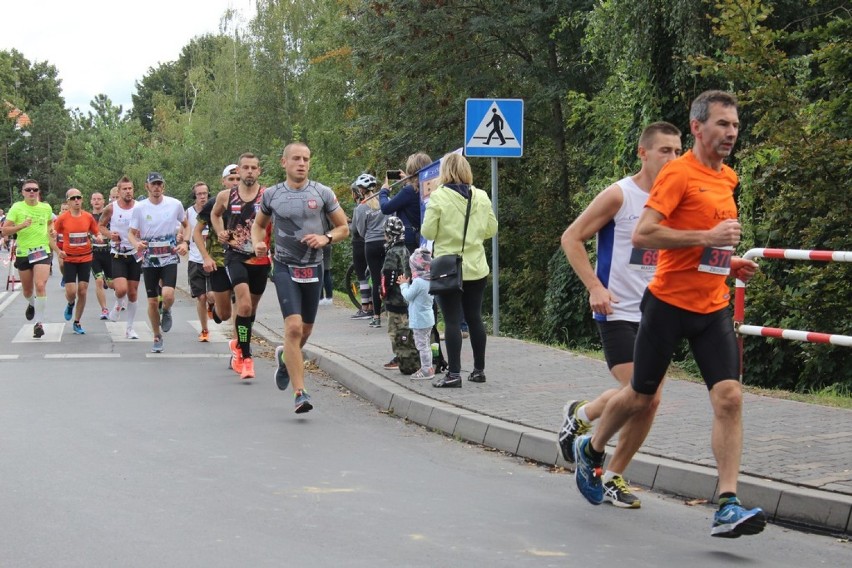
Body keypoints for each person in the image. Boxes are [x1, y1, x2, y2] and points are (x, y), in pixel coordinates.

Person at [573, 90, 765, 538]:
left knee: (730, 397)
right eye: (721, 124)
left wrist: (728, 262)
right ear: (697, 128)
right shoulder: (678, 174)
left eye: (735, 125)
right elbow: (645, 235)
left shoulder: (729, 178)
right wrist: (708, 235)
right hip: (665, 306)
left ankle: (728, 503)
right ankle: (593, 446)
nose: (731, 133)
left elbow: (706, 245)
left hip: (711, 306)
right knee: (641, 397)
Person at [558, 122, 682, 508]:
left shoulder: (677, 199)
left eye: (678, 151)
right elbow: (571, 237)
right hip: (617, 311)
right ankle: (594, 448)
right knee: (644, 394)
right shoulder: (619, 195)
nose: (673, 158)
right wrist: (595, 287)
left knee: (648, 399)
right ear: (642, 153)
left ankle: (592, 431)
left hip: (657, 313)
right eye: (665, 151)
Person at [252, 142, 349, 413]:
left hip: (314, 268)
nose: (302, 163)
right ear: (284, 162)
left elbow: (343, 228)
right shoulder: (272, 195)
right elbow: (258, 226)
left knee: (304, 331)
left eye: (306, 159)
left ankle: (285, 358)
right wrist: (259, 244)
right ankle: (300, 392)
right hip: (284, 266)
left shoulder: (322, 193)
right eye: (296, 158)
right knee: (293, 328)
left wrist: (325, 237)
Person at [421, 153, 498, 388]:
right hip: (476, 266)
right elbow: (491, 229)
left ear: (444, 173)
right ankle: (479, 370)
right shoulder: (482, 196)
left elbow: (428, 232)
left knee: (452, 320)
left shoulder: (438, 197)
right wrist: (473, 237)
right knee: (475, 317)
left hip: (448, 268)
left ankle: (454, 374)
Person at [210, 154, 271, 380]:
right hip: (235, 256)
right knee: (243, 306)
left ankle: (238, 342)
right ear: (239, 169)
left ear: (259, 171)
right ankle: (245, 357)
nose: (249, 171)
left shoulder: (268, 195)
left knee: (250, 311)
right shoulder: (226, 196)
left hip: (260, 259)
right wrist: (220, 233)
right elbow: (215, 215)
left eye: (253, 168)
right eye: (245, 167)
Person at [127, 172, 189, 353]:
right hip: (150, 258)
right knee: (152, 302)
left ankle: (167, 309)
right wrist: (136, 243)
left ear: (164, 186)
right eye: (153, 184)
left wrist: (184, 241)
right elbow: (131, 233)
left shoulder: (175, 204)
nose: (156, 188)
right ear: (147, 186)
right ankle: (156, 335)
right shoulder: (140, 208)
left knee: (168, 295)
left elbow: (186, 225)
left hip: (169, 255)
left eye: (159, 184)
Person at [2, 179, 55, 338]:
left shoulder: (46, 207)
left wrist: (52, 231)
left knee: (40, 285)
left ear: (39, 192)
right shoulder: (17, 207)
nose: (32, 192)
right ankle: (32, 304)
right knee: (27, 291)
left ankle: (39, 323)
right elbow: (4, 230)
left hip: (42, 251)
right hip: (24, 252)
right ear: (23, 192)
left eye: (35, 189)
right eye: (28, 190)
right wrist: (21, 226)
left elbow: (50, 224)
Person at [193, 165, 239, 331]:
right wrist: (206, 257)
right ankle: (217, 310)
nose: (235, 183)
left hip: (241, 259)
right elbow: (196, 232)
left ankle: (240, 347)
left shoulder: (251, 201)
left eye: (238, 179)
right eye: (231, 179)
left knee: (241, 303)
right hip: (219, 262)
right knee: (225, 313)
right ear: (223, 181)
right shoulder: (214, 203)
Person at [53, 188, 104, 334]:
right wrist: (57, 248)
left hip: (86, 257)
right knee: (71, 291)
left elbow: (96, 231)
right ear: (68, 201)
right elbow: (53, 234)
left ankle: (77, 321)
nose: (76, 200)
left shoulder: (88, 217)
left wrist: (99, 236)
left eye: (78, 198)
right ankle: (70, 303)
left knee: (82, 290)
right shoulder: (63, 218)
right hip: (69, 258)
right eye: (73, 198)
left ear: (82, 200)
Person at [99, 177, 142, 339]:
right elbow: (100, 226)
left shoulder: (140, 207)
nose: (128, 191)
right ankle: (118, 303)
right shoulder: (111, 208)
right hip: (118, 253)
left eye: (130, 188)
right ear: (118, 191)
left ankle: (130, 329)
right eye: (124, 189)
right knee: (121, 289)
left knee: (132, 293)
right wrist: (110, 234)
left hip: (135, 253)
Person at [351, 174, 387, 329]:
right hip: (387, 243)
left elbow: (359, 230)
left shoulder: (361, 208)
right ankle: (395, 313)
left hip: (371, 244)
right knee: (391, 277)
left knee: (376, 279)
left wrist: (370, 236)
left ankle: (376, 317)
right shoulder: (386, 202)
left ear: (361, 190)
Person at [378, 152, 432, 253]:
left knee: (408, 267)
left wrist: (383, 192)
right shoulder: (428, 188)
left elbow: (386, 208)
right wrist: (407, 182)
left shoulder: (409, 191)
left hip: (409, 238)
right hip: (423, 236)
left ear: (411, 170)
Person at [398, 247, 435, 379]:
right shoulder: (430, 280)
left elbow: (408, 296)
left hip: (419, 320)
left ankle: (426, 370)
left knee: (422, 346)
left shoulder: (419, 282)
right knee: (426, 345)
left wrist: (403, 285)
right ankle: (428, 367)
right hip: (428, 318)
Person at [379, 216, 411, 369]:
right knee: (405, 328)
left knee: (394, 330)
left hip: (394, 300)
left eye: (385, 234)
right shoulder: (406, 250)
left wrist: (383, 293)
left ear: (390, 234)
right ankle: (406, 354)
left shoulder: (392, 253)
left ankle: (400, 357)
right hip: (405, 297)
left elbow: (388, 276)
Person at [184, 181, 211, 342]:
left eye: (205, 193)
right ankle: (204, 330)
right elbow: (184, 229)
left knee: (212, 295)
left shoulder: (215, 210)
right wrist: (182, 238)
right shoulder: (188, 212)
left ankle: (212, 306)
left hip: (213, 259)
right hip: (195, 259)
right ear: (195, 196)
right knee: (201, 297)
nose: (202, 197)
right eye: (199, 194)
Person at [348, 174, 376, 319]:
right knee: (372, 274)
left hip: (360, 243)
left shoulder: (360, 207)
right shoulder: (381, 202)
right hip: (378, 242)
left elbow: (356, 229)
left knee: (362, 276)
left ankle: (365, 307)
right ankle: (373, 306)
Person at [89, 191, 114, 320]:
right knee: (98, 281)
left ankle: (109, 281)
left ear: (104, 201)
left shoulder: (110, 215)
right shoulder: (87, 217)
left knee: (112, 284)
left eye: (99, 199)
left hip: (108, 252)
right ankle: (104, 309)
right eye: (94, 199)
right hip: (94, 254)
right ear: (91, 202)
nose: (97, 201)